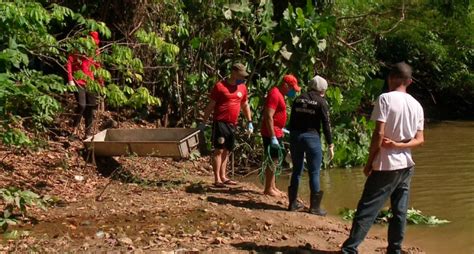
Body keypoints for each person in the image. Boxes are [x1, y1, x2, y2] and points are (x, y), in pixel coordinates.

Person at [341, 62, 424, 254]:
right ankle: (395, 249)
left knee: (368, 208)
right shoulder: (417, 105)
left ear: (390, 78)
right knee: (400, 212)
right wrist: (401, 145)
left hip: (387, 163)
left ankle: (350, 249)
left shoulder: (385, 99)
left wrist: (370, 162)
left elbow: (378, 133)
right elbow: (420, 140)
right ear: (409, 81)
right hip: (406, 164)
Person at [287, 75, 334, 215]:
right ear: (322, 90)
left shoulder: (297, 99)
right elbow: (326, 125)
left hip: (296, 136)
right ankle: (315, 208)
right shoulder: (321, 102)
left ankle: (292, 203)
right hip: (312, 138)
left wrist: (292, 139)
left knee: (296, 170)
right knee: (314, 172)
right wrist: (330, 143)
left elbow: (292, 121)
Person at [201, 63, 254, 187]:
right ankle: (217, 179)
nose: (242, 78)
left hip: (232, 124)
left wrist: (249, 121)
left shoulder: (242, 88)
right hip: (220, 122)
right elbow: (210, 106)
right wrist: (203, 122)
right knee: (219, 150)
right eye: (241, 75)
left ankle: (224, 176)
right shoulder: (220, 86)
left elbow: (245, 105)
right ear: (233, 73)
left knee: (227, 150)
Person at [261, 74, 300, 197]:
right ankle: (268, 188)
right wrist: (272, 136)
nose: (293, 91)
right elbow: (268, 116)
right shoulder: (274, 94)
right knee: (272, 159)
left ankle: (272, 186)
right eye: (292, 88)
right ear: (285, 85)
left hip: (278, 131)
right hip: (271, 132)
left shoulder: (280, 94)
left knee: (276, 159)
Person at [66, 31, 102, 138]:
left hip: (91, 83)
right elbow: (69, 63)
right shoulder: (78, 49)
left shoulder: (95, 51)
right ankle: (74, 129)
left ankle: (88, 133)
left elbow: (97, 67)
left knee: (90, 108)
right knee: (82, 105)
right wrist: (70, 79)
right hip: (79, 81)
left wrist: (101, 83)